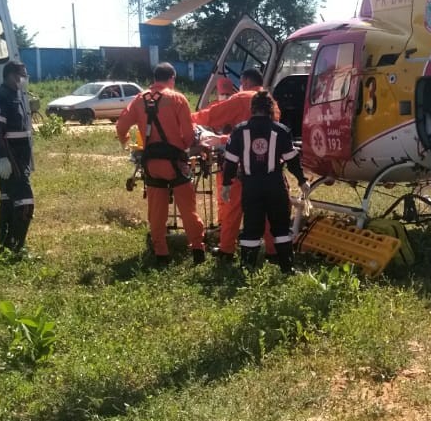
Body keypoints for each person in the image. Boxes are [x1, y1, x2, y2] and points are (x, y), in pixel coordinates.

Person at [115, 62, 206, 266]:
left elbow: (121, 126)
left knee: (156, 211)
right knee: (187, 209)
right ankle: (198, 249)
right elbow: (189, 135)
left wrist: (125, 141)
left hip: (152, 164)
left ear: (155, 78)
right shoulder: (177, 99)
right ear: (172, 78)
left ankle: (161, 253)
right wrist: (186, 148)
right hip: (175, 164)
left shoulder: (139, 100)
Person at [193, 67, 280, 263]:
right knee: (268, 211)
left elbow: (212, 116)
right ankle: (273, 252)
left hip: (243, 167)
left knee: (233, 208)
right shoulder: (272, 103)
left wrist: (188, 119)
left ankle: (227, 250)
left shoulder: (242, 99)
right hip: (268, 168)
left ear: (246, 82)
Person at [221, 90, 305, 273]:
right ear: (271, 108)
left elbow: (230, 162)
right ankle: (287, 268)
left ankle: (247, 268)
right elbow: (292, 161)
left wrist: (226, 184)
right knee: (281, 227)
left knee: (251, 226)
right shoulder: (281, 130)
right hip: (275, 185)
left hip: (251, 186)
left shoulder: (239, 131)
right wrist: (302, 180)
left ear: (252, 108)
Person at [0, 60, 35, 254]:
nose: (24, 79)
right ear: (11, 76)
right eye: (22, 75)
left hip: (21, 157)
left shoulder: (18, 94)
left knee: (8, 199)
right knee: (25, 202)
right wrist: (2, 157)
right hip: (9, 157)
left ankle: (5, 246)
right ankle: (15, 248)